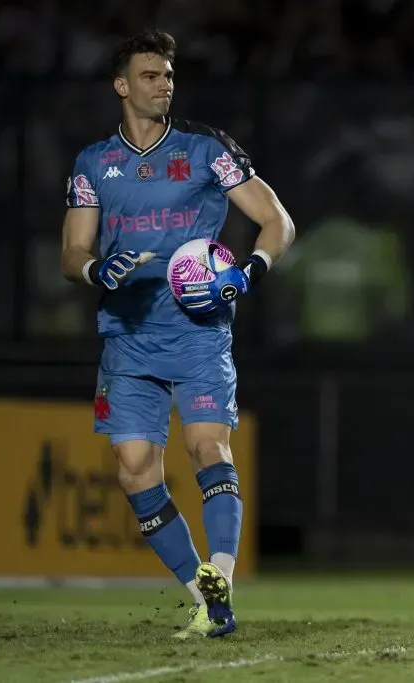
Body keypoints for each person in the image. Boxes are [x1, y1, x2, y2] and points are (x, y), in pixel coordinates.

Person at [59, 30, 295, 639]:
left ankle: (221, 569)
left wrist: (251, 270)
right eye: (150, 75)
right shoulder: (93, 163)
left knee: (206, 448)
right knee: (135, 468)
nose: (164, 84)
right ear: (121, 86)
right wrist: (94, 270)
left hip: (198, 331)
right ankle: (206, 598)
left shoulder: (206, 150)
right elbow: (72, 251)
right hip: (128, 337)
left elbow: (275, 219)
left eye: (168, 75)